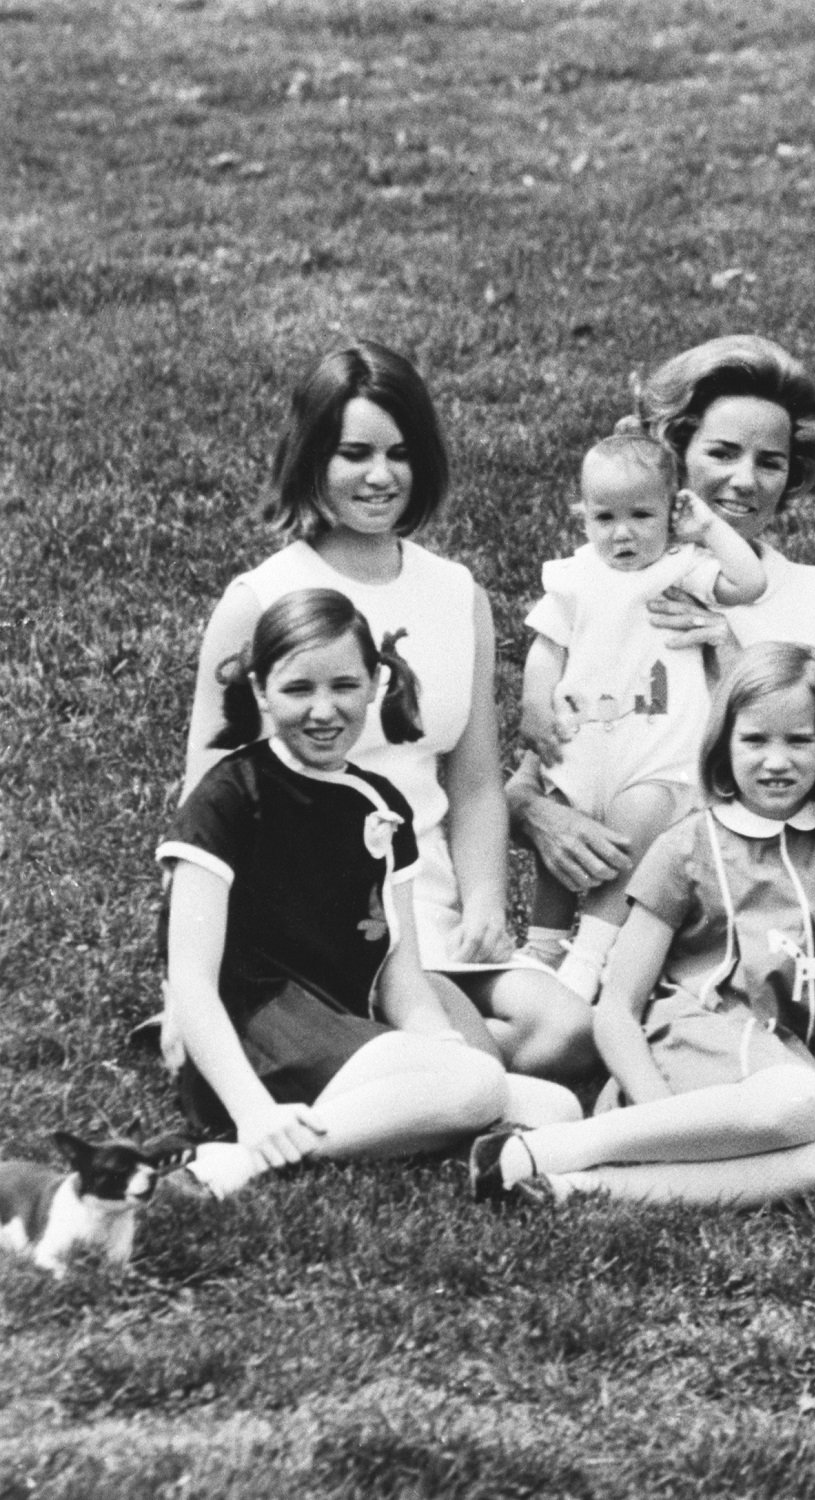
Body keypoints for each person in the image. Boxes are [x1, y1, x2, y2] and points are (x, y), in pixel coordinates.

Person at [181, 342, 593, 1085]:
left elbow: (471, 785)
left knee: (566, 1032)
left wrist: (485, 905)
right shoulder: (260, 600)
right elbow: (205, 808)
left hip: (426, 890)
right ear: (312, 459)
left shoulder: (455, 591)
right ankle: (334, 1034)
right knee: (472, 1063)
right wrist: (192, 979)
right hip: (313, 913)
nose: (380, 476)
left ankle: (388, 1057)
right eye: (355, 453)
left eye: (400, 453)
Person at [470, 643, 815, 1207]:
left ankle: (569, 1185)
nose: (777, 760)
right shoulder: (688, 846)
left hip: (793, 1084)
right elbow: (616, 1007)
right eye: (755, 740)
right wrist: (657, 1108)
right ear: (723, 745)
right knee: (802, 1101)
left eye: (799, 740)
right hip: (695, 1057)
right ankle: (564, 1146)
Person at [511, 335, 815, 916]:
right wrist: (537, 815)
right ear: (676, 455)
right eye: (723, 453)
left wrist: (734, 656)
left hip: (764, 907)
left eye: (771, 462)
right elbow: (545, 762)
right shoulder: (619, 586)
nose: (746, 481)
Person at [164, 591, 512, 1199]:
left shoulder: (380, 802)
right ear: (261, 689)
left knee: (550, 1103)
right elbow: (191, 979)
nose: (323, 711)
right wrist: (250, 1108)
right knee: (480, 1090)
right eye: (299, 689)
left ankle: (325, 1137)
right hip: (257, 1043)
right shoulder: (229, 795)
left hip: (348, 1036)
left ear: (376, 683)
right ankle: (251, 1154)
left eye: (344, 686)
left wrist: (439, 1047)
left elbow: (400, 975)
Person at [517, 431, 768, 1000]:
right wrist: (535, 703)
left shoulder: (683, 568)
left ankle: (591, 952)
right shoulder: (574, 576)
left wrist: (707, 529)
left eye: (641, 515)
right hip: (582, 745)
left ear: (671, 513)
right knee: (565, 828)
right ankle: (543, 942)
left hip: (656, 754)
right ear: (582, 516)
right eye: (604, 517)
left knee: (629, 838)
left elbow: (750, 582)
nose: (622, 532)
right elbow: (546, 645)